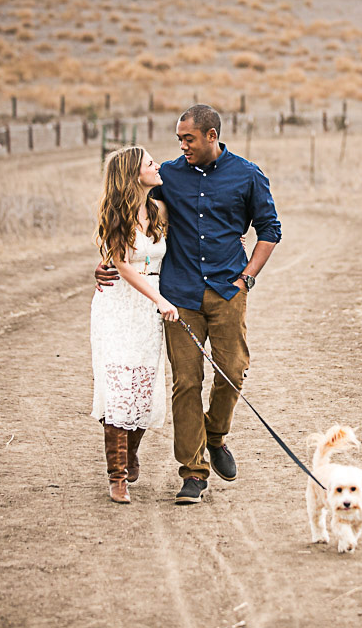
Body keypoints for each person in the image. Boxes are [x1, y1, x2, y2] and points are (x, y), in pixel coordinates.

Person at [96, 104, 281, 505]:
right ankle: (193, 473)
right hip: (180, 294)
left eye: (189, 139)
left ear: (212, 135)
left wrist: (247, 276)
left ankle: (215, 436)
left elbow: (270, 229)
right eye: (179, 139)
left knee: (233, 370)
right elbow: (132, 210)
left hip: (228, 290)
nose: (181, 147)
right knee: (186, 382)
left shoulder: (248, 175)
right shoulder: (169, 175)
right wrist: (107, 259)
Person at [90, 145, 180, 504]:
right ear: (132, 173)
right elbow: (123, 265)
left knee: (144, 388)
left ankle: (130, 452)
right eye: (149, 163)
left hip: (149, 308)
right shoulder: (115, 213)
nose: (156, 166)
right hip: (119, 306)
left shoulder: (159, 209)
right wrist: (159, 300)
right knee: (117, 389)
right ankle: (118, 477)